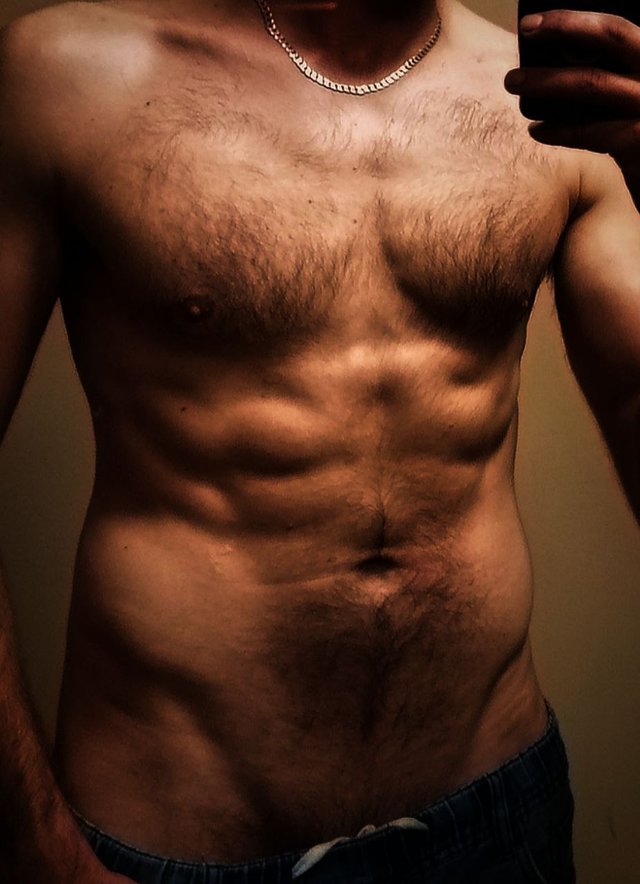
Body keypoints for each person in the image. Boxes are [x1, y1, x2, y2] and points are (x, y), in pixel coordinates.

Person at [1, 0, 639, 881]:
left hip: (497, 815)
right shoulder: (66, 77)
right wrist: (34, 843)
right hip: (181, 843)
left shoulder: (565, 110)